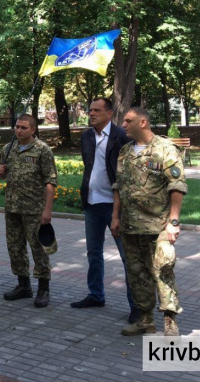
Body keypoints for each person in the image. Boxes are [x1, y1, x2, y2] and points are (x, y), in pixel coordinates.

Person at [111, 107, 187, 337]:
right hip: (130, 226)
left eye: (128, 120)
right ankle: (145, 320)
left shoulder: (165, 149)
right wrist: (115, 217)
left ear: (143, 122)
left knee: (162, 271)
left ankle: (170, 322)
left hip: (159, 225)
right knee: (137, 274)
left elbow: (177, 186)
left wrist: (173, 221)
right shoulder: (125, 151)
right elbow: (118, 186)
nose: (123, 124)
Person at [70, 98, 138, 324]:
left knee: (127, 256)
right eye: (89, 110)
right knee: (93, 252)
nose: (91, 114)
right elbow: (89, 165)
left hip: (115, 206)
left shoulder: (121, 136)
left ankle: (136, 306)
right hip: (92, 203)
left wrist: (119, 209)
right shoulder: (87, 136)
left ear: (109, 113)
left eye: (96, 110)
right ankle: (96, 295)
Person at [0, 114, 56, 308]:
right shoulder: (8, 149)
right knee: (15, 247)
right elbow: (2, 175)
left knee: (38, 249)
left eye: (23, 127)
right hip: (12, 208)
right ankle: (23, 285)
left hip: (34, 209)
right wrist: (1, 173)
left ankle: (43, 289)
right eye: (17, 127)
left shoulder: (42, 150)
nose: (19, 130)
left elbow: (50, 181)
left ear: (33, 129)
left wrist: (47, 210)